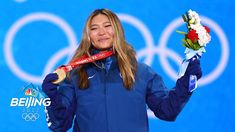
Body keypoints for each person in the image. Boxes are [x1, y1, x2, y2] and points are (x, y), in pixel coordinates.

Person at [42, 8, 202, 132]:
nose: (102, 32)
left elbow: (167, 111)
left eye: (107, 26)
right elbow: (59, 125)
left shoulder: (142, 73)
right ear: (88, 35)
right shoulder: (76, 76)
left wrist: (187, 81)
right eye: (94, 28)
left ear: (117, 30)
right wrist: (52, 96)